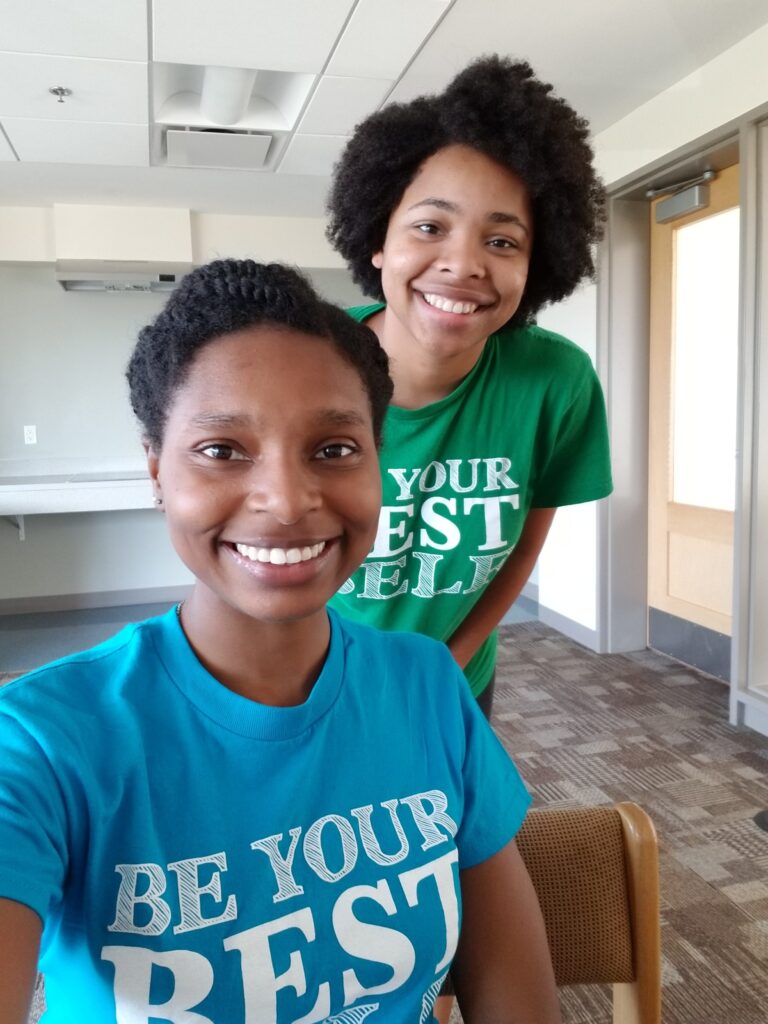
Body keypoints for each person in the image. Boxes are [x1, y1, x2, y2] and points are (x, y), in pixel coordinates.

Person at [0, 260, 560, 1024]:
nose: (289, 501)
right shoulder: (39, 742)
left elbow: (514, 998)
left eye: (333, 449)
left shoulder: (428, 685)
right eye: (223, 450)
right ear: (156, 468)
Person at [327, 55, 613, 717]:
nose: (463, 264)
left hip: (455, 675)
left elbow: (522, 545)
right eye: (430, 227)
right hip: (310, 676)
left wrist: (447, 666)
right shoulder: (307, 359)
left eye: (503, 241)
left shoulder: (554, 382)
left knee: (448, 820)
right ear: (379, 239)